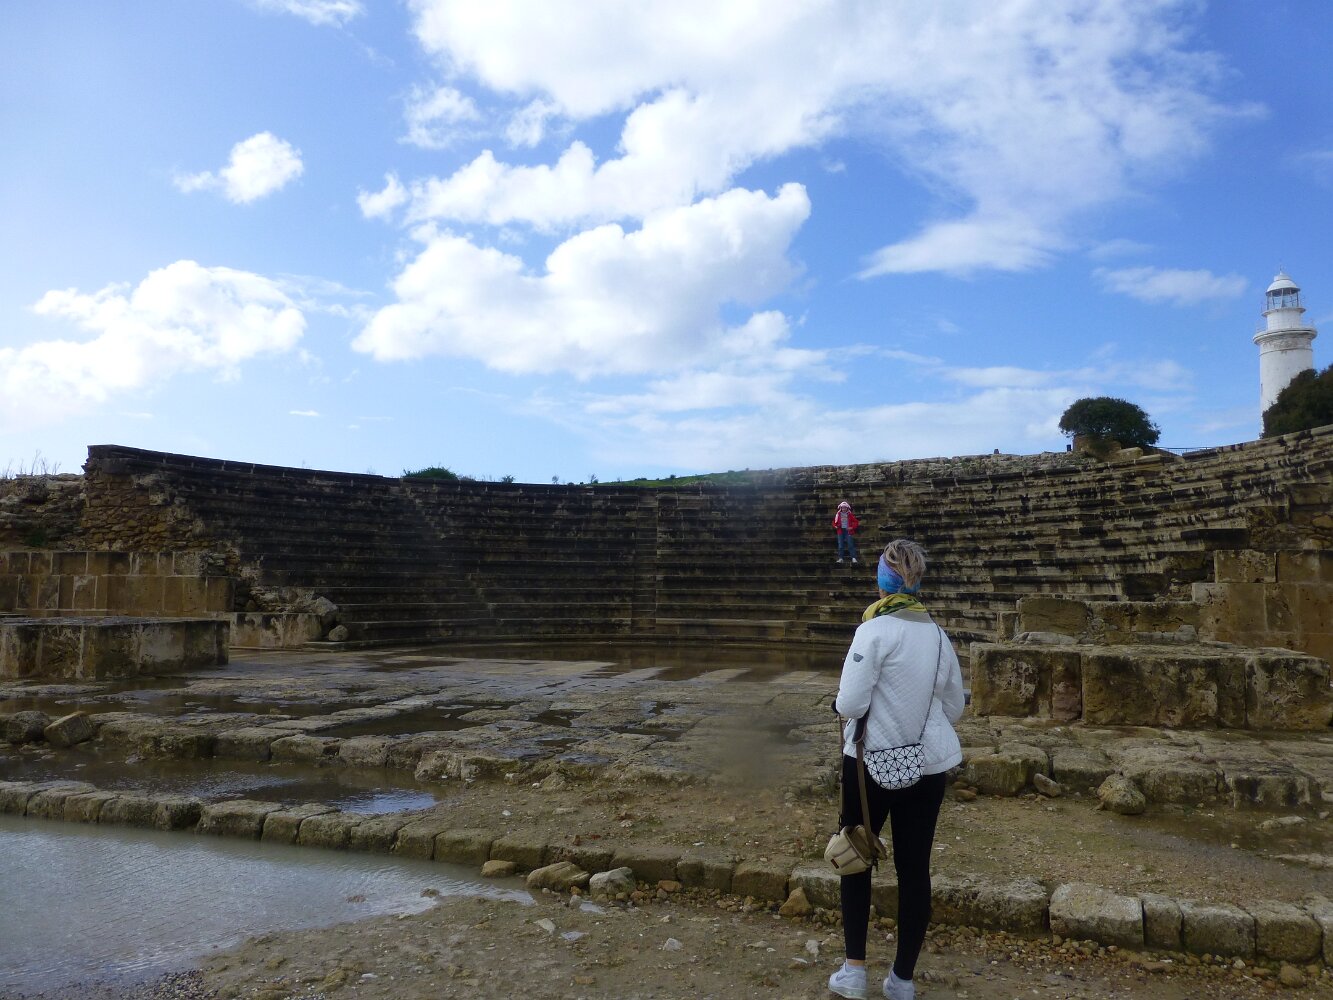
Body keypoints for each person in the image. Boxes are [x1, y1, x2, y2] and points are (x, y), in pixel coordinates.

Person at [828, 539, 965, 1000]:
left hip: (868, 763)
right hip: (927, 767)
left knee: (855, 855)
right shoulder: (939, 637)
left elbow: (850, 703)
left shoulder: (873, 631)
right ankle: (902, 980)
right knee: (914, 870)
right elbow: (954, 707)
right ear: (917, 581)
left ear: (883, 583)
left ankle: (854, 972)